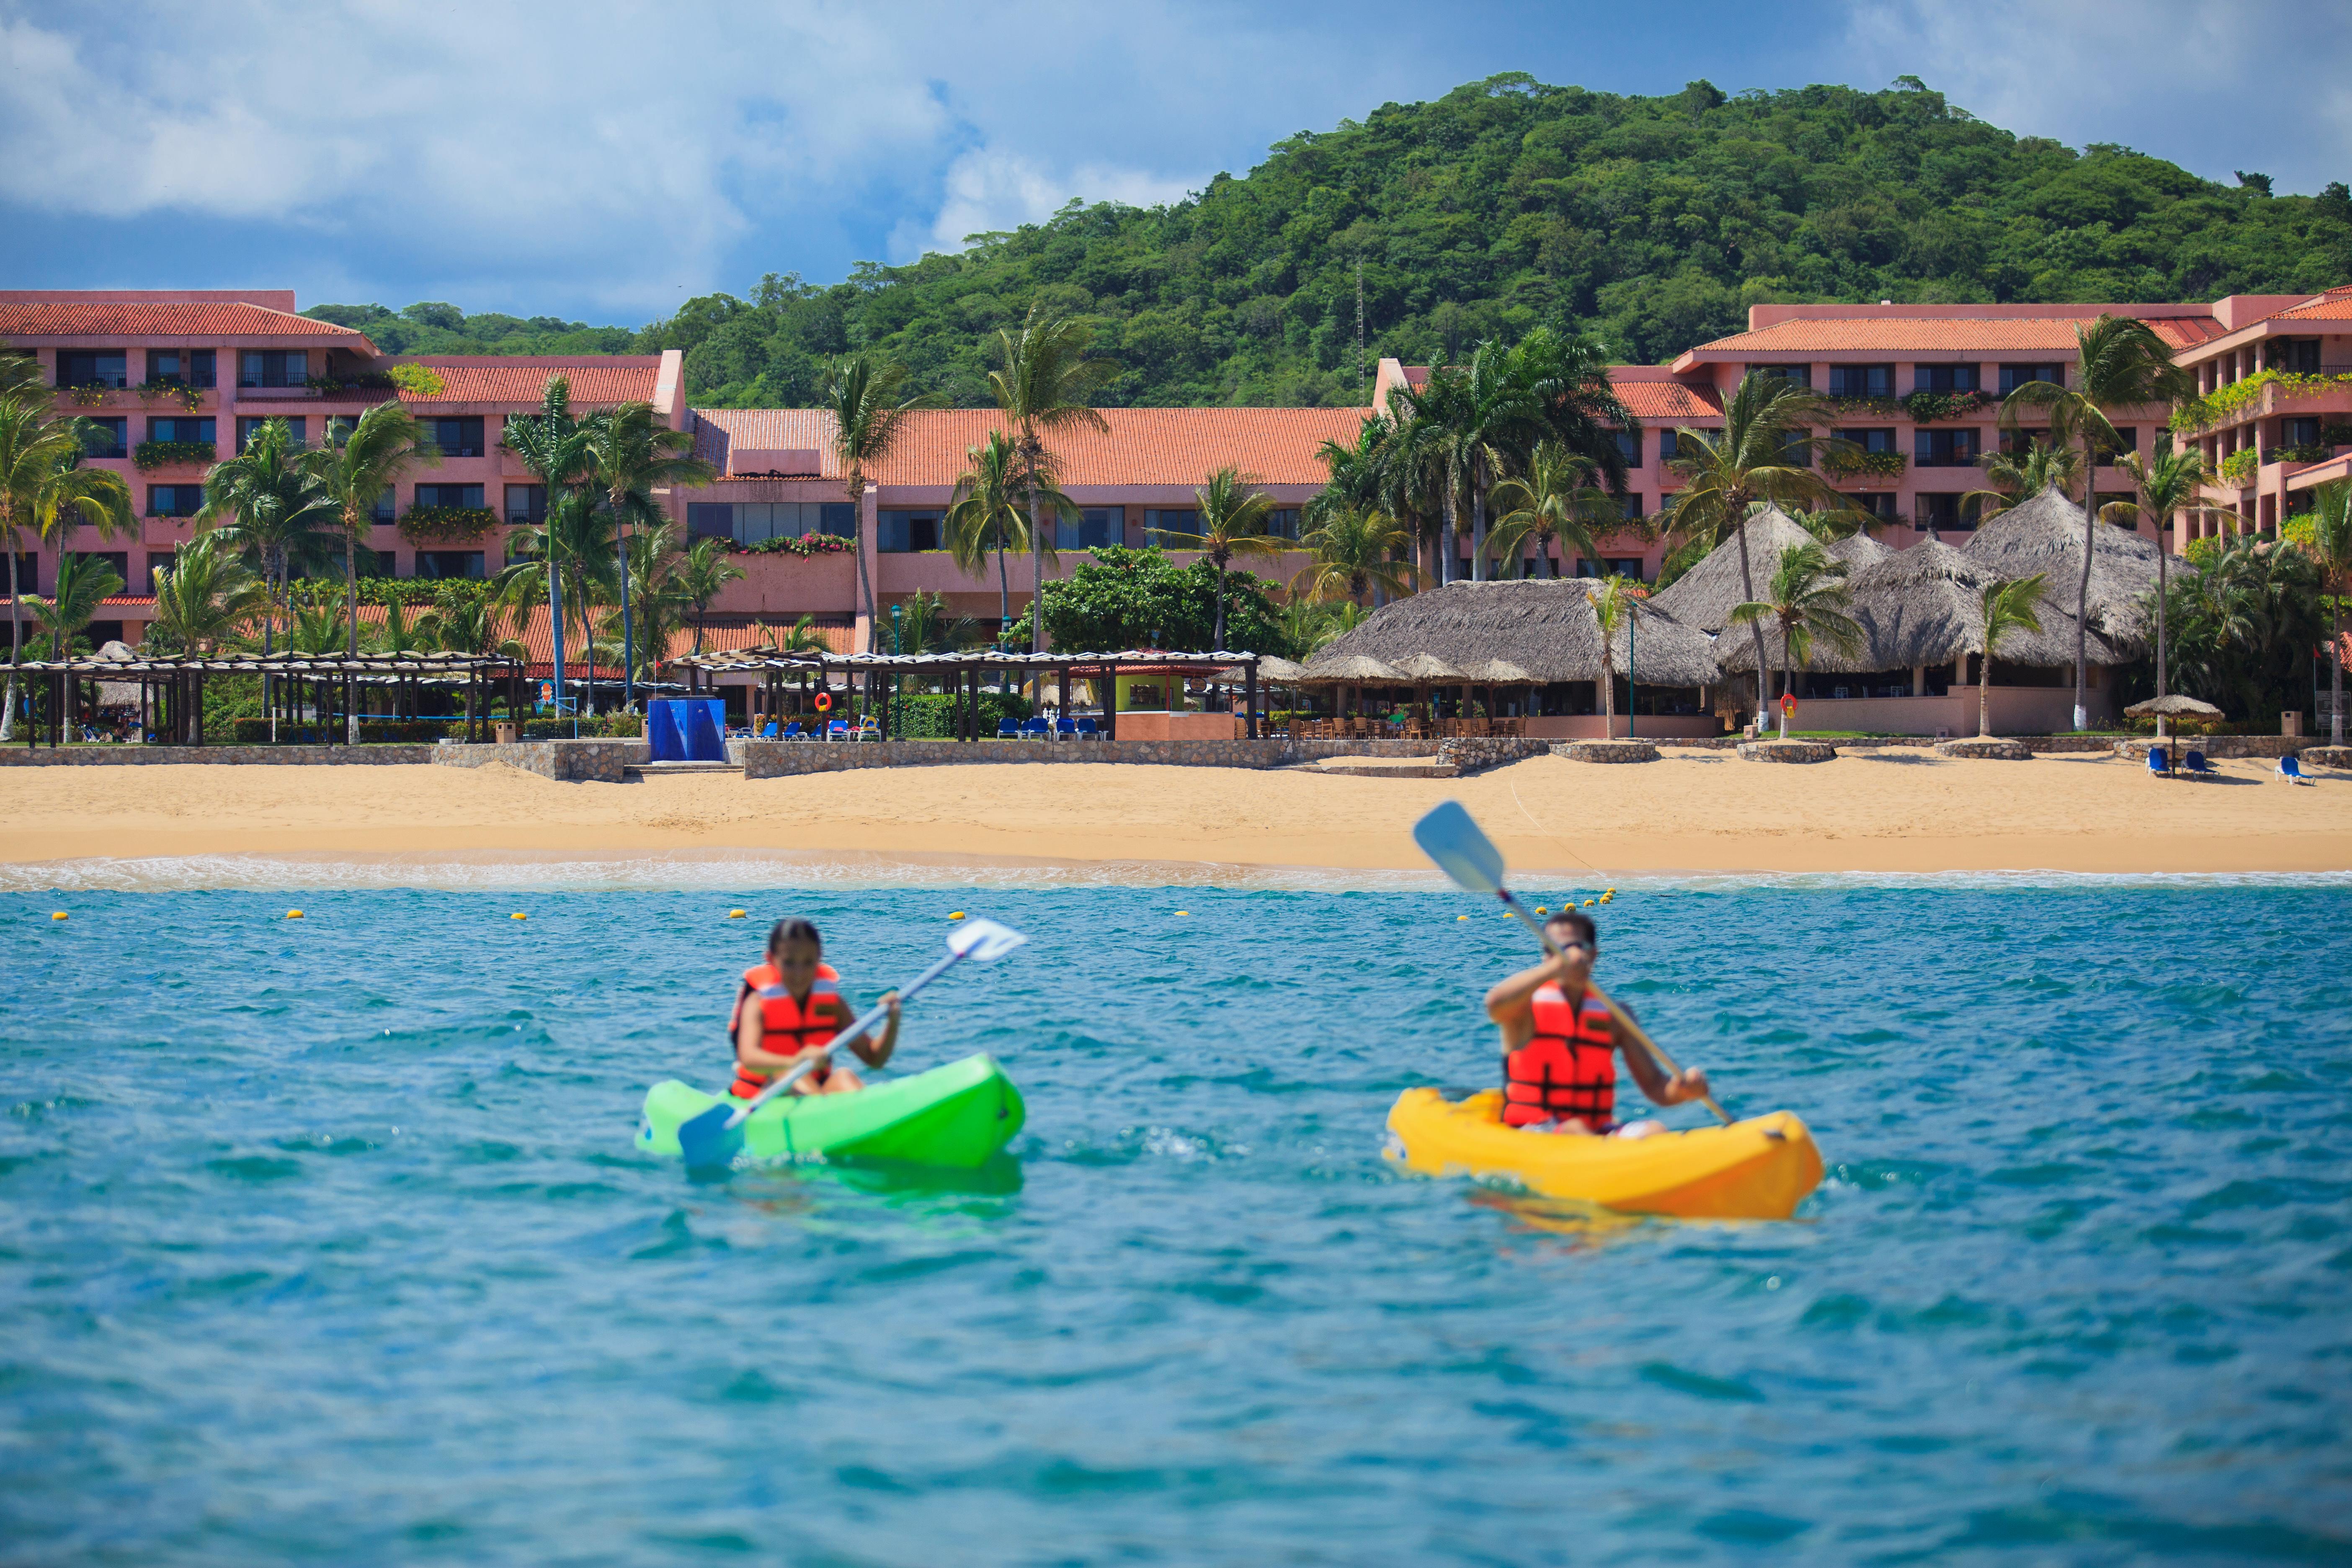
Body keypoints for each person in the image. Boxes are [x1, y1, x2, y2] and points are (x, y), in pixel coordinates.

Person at [1484, 910, 1709, 1137]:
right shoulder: (1523, 1007)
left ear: (1592, 956)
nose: (1564, 956)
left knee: (1655, 1130)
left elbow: (1655, 1087)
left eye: (1574, 947)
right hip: (1532, 1130)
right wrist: (1556, 967)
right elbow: (1494, 1004)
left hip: (1596, 1129)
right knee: (1575, 1129)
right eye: (1551, 949)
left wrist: (1684, 1091)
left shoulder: (1616, 1016)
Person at [728, 917, 899, 1099]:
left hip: (817, 1088)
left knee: (845, 1077)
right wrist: (795, 1062)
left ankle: (856, 1117)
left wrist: (893, 1022)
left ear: (820, 957)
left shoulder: (831, 1004)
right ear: (771, 959)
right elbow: (748, 1058)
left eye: (809, 962)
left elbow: (874, 1059)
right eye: (789, 963)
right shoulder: (757, 1002)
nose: (799, 974)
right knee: (792, 1076)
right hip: (765, 1094)